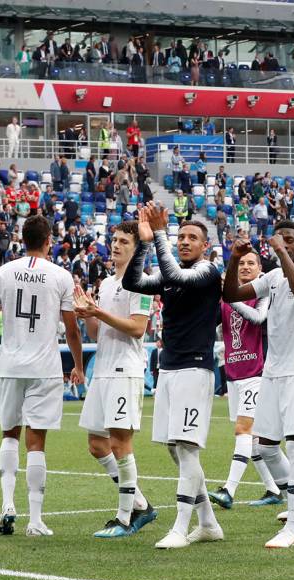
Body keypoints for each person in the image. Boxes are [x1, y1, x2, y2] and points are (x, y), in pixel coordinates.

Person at [0, 215, 85, 537]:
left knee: (10, 434)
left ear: (22, 239)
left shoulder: (2, 273)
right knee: (36, 442)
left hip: (10, 366)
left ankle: (7, 504)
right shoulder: (61, 276)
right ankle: (35, 521)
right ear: (48, 239)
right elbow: (73, 329)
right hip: (45, 368)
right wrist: (77, 366)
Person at [222, 221, 294, 549]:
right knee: (266, 446)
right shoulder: (271, 277)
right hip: (272, 371)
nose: (284, 243)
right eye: (280, 239)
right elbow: (231, 294)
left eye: (290, 240)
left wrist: (281, 253)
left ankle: (293, 527)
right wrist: (232, 260)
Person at [122, 205, 223, 550]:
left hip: (195, 368)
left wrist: (161, 233)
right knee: (174, 448)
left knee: (187, 448)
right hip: (169, 367)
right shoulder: (171, 272)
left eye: (191, 237)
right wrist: (146, 243)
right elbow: (132, 281)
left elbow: (178, 277)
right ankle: (208, 522)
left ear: (205, 246)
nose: (184, 242)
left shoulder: (208, 271)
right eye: (180, 236)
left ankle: (181, 527)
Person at [73, 221, 157, 538]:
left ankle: (124, 519)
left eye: (123, 241)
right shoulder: (107, 284)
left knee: (121, 444)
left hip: (125, 369)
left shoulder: (142, 283)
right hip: (103, 370)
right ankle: (140, 504)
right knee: (97, 444)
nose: (116, 245)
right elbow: (97, 332)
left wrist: (97, 312)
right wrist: (86, 315)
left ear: (136, 249)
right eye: (114, 239)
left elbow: (138, 328)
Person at [208, 251, 284, 509]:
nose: (246, 267)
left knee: (243, 430)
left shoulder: (263, 292)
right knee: (253, 440)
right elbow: (210, 323)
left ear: (260, 268)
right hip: (234, 372)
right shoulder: (225, 299)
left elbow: (258, 318)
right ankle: (274, 489)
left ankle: (228, 490)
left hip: (258, 371)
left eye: (251, 263)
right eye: (241, 263)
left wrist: (229, 296)